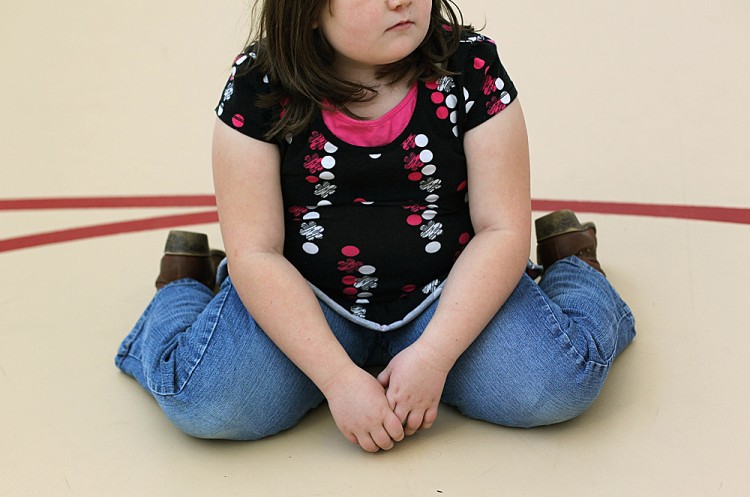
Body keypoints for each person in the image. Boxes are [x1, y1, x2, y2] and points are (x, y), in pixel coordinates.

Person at [115, 0, 636, 453]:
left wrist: (434, 355)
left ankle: (573, 268)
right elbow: (257, 252)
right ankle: (182, 288)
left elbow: (501, 230)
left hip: (447, 297)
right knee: (206, 403)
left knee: (559, 384)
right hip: (309, 300)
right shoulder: (261, 82)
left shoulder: (471, 66)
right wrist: (338, 379)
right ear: (309, 10)